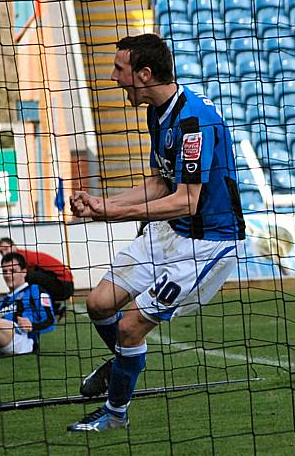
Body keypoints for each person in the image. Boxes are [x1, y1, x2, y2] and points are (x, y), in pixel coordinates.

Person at [66, 34, 245, 433]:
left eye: (119, 69)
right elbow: (160, 184)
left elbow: (188, 200)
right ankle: (123, 365)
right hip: (169, 231)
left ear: (144, 74)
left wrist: (118, 215)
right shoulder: (157, 111)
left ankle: (115, 414)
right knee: (99, 303)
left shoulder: (194, 121)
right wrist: (104, 203)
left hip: (207, 242)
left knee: (130, 327)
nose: (114, 78)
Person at [0, 237, 74, 318]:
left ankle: (40, 310)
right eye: (1, 252)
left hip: (63, 285)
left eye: (6, 249)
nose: (4, 253)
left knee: (25, 277)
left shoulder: (21, 258)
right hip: (61, 284)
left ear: (14, 246)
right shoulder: (21, 257)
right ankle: (54, 309)